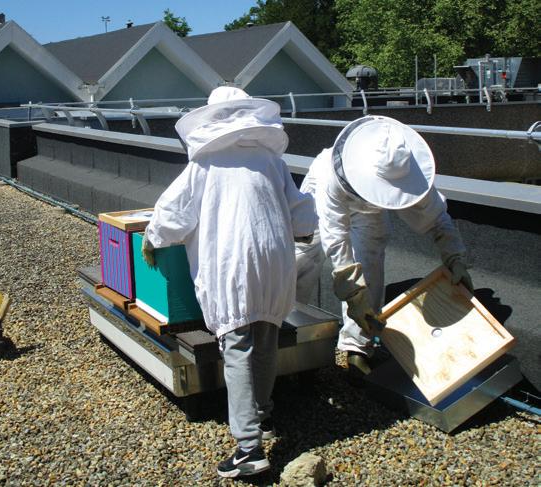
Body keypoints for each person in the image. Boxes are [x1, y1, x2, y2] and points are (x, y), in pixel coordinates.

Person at [142, 87, 316, 478]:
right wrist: (304, 231)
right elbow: (302, 214)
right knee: (266, 338)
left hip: (232, 261)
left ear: (213, 118)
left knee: (237, 346)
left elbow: (172, 216)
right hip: (274, 258)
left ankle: (248, 449)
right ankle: (263, 416)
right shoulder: (271, 160)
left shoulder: (205, 162)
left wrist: (152, 238)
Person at [295, 115, 473, 376]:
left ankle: (354, 350)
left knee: (370, 269)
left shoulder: (405, 170)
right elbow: (336, 237)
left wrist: (455, 257)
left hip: (370, 212)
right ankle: (290, 335)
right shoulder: (330, 176)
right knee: (302, 257)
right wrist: (352, 293)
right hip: (322, 194)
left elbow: (436, 216)